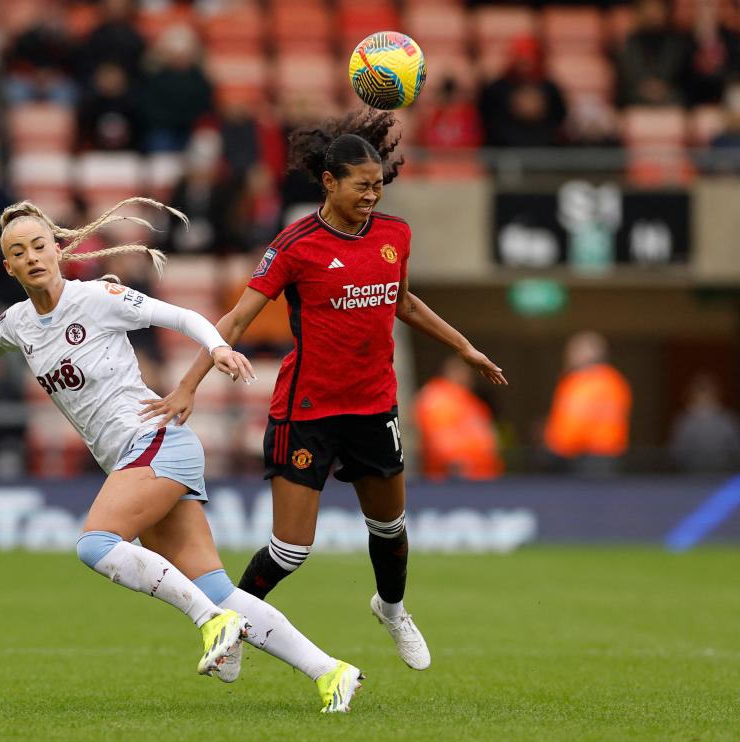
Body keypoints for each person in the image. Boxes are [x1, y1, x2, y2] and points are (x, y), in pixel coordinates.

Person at [0, 197, 363, 713]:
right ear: (8, 266)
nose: (33, 256)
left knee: (95, 544)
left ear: (58, 250)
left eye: (40, 245)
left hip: (154, 440)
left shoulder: (96, 297)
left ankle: (211, 623)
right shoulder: (18, 321)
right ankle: (331, 672)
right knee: (217, 587)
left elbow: (180, 315)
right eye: (20, 251)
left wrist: (215, 348)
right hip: (136, 457)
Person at [141, 110, 507, 671]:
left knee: (389, 527)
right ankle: (231, 631)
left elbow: (403, 302)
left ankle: (391, 607)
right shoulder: (296, 244)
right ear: (329, 183)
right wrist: (189, 384)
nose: (372, 197)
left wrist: (464, 347)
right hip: (307, 410)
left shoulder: (395, 235)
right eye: (362, 186)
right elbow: (237, 320)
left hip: (374, 405)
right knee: (291, 550)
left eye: (379, 186)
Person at [543, 331, 632, 476]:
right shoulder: (615, 381)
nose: (569, 355)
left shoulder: (584, 382)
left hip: (585, 460)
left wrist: (553, 447)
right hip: (608, 457)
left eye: (574, 350)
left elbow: (574, 424)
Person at [414, 356, 503, 481]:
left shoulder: (472, 402)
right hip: (452, 479)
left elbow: (490, 434)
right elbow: (440, 439)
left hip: (483, 476)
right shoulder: (437, 398)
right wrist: (456, 466)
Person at [669, 373, 740, 473]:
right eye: (699, 394)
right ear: (691, 396)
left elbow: (735, 449)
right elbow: (677, 453)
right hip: (691, 476)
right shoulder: (685, 421)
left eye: (707, 393)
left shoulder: (727, 420)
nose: (704, 398)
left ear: (715, 395)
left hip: (722, 474)